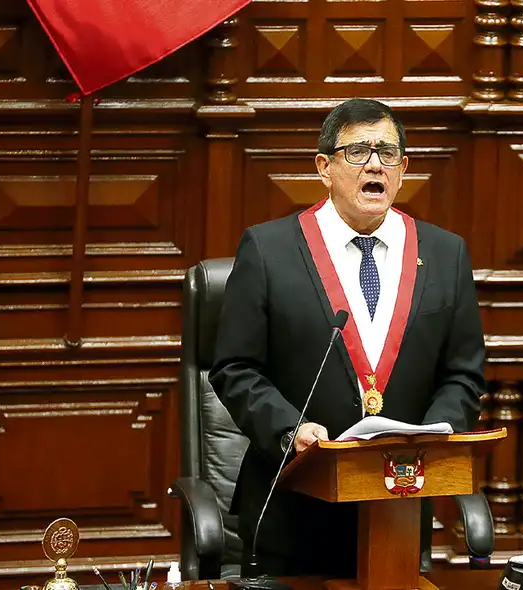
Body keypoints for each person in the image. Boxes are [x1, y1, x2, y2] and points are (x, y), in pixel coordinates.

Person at [208, 98, 485, 577]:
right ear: (324, 167)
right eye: (357, 152)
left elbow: (462, 373)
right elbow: (234, 367)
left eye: (388, 153)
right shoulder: (269, 249)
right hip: (296, 509)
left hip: (398, 502)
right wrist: (291, 428)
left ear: (403, 169)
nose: (375, 164)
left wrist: (435, 436)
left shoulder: (446, 253)